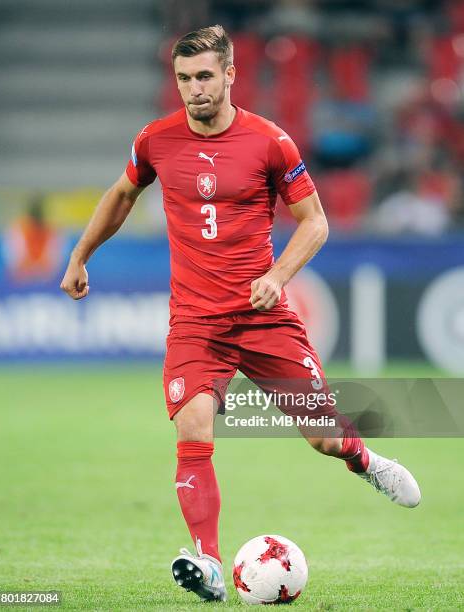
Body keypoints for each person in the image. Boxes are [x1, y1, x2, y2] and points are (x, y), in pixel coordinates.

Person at [60, 25, 421, 603]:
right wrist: (80, 255)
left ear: (230, 74)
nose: (194, 90)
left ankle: (365, 459)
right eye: (183, 79)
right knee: (193, 427)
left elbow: (316, 222)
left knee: (324, 438)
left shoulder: (269, 142)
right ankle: (206, 561)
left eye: (204, 76)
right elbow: (122, 194)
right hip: (195, 323)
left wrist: (277, 277)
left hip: (261, 319)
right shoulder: (156, 139)